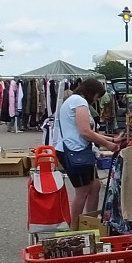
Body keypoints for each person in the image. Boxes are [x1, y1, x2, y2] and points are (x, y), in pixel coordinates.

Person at [55, 78, 122, 226]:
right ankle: (76, 228)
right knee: (83, 190)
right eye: (98, 96)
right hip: (75, 151)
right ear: (93, 93)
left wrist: (111, 139)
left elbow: (86, 131)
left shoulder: (74, 100)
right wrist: (107, 144)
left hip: (79, 151)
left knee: (95, 186)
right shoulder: (79, 102)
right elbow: (85, 131)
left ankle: (89, 222)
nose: (97, 100)